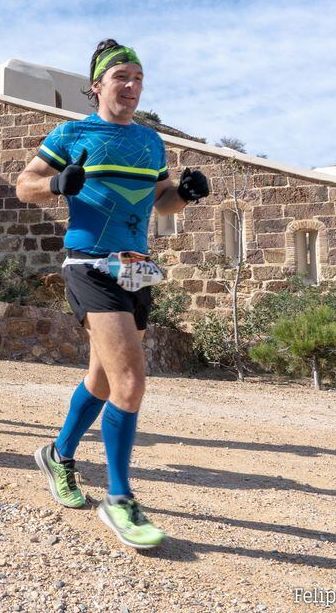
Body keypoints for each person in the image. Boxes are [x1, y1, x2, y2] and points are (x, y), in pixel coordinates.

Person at [15, 39, 210, 550]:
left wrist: (184, 193)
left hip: (137, 270)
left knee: (102, 380)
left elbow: (161, 203)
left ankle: (57, 454)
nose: (131, 86)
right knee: (131, 379)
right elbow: (23, 184)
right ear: (97, 85)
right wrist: (58, 184)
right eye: (121, 76)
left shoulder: (150, 143)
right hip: (89, 266)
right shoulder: (71, 133)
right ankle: (119, 498)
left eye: (139, 78)